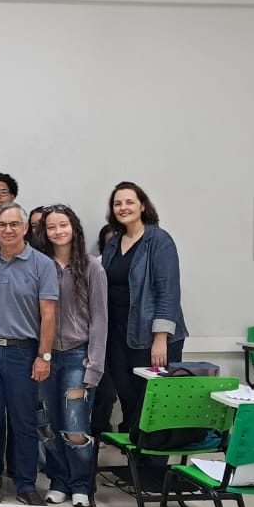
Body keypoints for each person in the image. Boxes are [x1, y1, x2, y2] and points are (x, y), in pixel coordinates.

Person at [0, 202, 58, 505]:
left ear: (24, 228)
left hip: (24, 353)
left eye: (14, 224)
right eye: (1, 225)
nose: (8, 230)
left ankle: (25, 484)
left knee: (24, 421)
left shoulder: (42, 265)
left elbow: (48, 315)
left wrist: (44, 356)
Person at [100, 181, 187, 438]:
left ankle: (153, 461)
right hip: (117, 335)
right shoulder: (114, 243)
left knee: (152, 406)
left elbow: (168, 291)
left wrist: (160, 339)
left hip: (150, 337)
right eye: (117, 203)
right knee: (129, 402)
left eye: (129, 202)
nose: (123, 207)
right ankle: (135, 459)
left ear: (142, 206)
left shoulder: (159, 240)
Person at [35, 206, 107, 507]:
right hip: (46, 356)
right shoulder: (40, 265)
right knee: (49, 425)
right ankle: (59, 481)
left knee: (75, 426)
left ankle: (81, 484)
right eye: (51, 227)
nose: (58, 232)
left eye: (63, 225)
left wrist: (95, 365)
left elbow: (100, 318)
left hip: (78, 356)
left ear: (74, 228)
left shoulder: (91, 267)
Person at [90, 222, 121, 436]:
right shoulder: (96, 265)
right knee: (103, 391)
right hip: (98, 338)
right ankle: (97, 434)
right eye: (109, 242)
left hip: (122, 336)